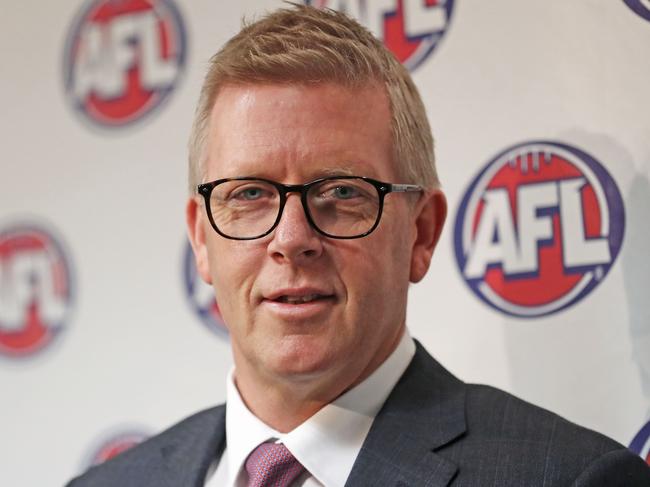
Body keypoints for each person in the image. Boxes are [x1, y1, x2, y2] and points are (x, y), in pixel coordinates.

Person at [67, 5, 650, 487]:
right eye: (248, 193)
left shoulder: (568, 477)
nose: (292, 239)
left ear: (420, 233)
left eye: (342, 191)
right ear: (201, 237)